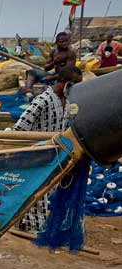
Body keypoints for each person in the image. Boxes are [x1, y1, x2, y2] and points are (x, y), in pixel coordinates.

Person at [13, 66, 83, 233]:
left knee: (44, 191)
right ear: (63, 82)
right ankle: (33, 229)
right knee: (38, 193)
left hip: (55, 155)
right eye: (73, 84)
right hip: (38, 155)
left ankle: (24, 224)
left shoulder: (66, 102)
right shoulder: (43, 100)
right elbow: (20, 129)